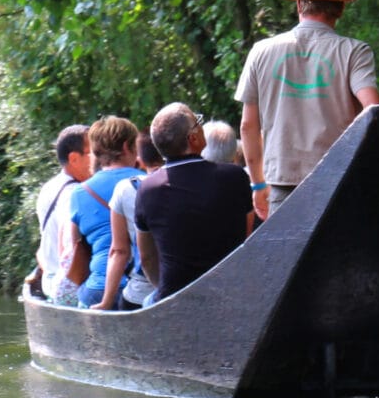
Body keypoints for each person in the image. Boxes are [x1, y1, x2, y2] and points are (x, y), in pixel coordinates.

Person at [236, 0, 379, 218]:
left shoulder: (261, 51)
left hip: (283, 182)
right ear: (341, 8)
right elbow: (374, 112)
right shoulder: (354, 52)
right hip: (338, 180)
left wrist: (258, 184)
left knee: (286, 257)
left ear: (300, 4)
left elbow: (248, 125)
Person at [135, 102, 253, 302]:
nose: (201, 123)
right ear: (193, 138)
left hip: (175, 295)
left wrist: (164, 293)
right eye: (197, 121)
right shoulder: (235, 177)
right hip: (229, 290)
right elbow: (247, 238)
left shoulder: (147, 190)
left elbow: (146, 258)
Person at [50, 115, 139, 308]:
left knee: (83, 298)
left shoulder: (79, 193)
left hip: (97, 290)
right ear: (126, 147)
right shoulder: (146, 183)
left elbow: (73, 248)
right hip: (139, 288)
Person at [100, 132, 164, 311]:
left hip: (140, 293)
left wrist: (106, 302)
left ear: (140, 160)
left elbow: (119, 251)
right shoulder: (185, 183)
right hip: (186, 284)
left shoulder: (125, 188)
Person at [28, 124, 88, 301]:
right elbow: (70, 242)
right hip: (67, 286)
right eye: (94, 152)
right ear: (74, 159)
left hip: (50, 279)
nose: (100, 158)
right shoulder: (73, 194)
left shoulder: (50, 186)